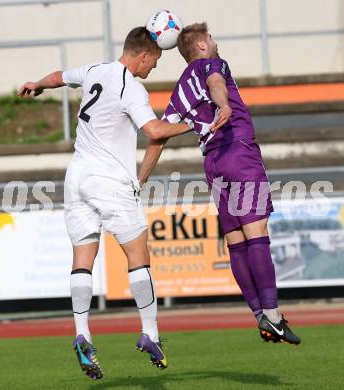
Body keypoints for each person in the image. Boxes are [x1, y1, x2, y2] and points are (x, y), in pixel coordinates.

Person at [18, 27, 222, 380]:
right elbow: (154, 131)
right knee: (138, 257)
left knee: (82, 260)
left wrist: (36, 84)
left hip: (76, 178)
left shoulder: (95, 70)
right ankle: (151, 333)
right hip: (109, 181)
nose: (153, 68)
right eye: (154, 61)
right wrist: (196, 123)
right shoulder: (132, 88)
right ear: (142, 55)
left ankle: (82, 333)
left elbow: (58, 77)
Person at [138, 22, 301, 345]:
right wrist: (224, 104)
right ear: (201, 46)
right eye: (211, 39)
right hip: (237, 150)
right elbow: (216, 82)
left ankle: (259, 315)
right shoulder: (212, 64)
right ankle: (273, 315)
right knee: (257, 235)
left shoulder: (181, 88)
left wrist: (140, 178)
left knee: (237, 241)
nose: (215, 42)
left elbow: (157, 135)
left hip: (212, 162)